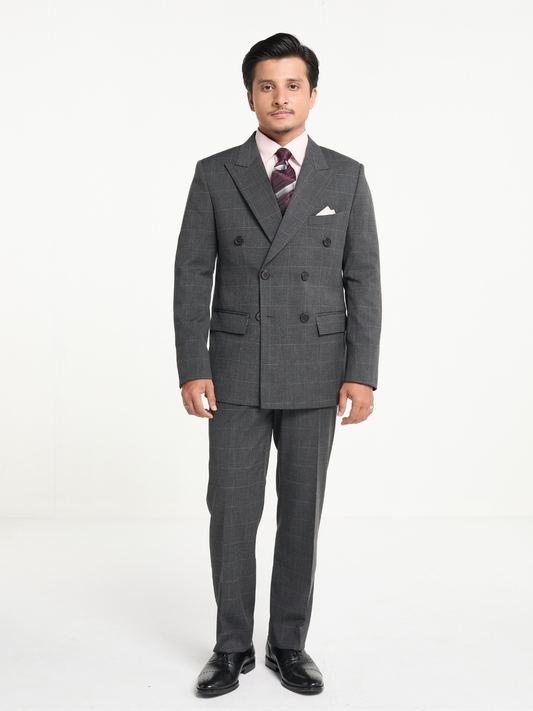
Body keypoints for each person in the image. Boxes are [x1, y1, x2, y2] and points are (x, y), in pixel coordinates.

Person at [173, 32, 382, 697]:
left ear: (312, 95)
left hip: (318, 366)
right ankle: (231, 645)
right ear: (250, 96)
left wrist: (361, 371)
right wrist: (192, 364)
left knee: (301, 512)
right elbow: (191, 275)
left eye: (293, 85)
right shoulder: (216, 172)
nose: (280, 97)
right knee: (232, 510)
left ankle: (288, 642)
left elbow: (363, 280)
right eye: (267, 85)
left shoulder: (345, 175)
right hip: (234, 367)